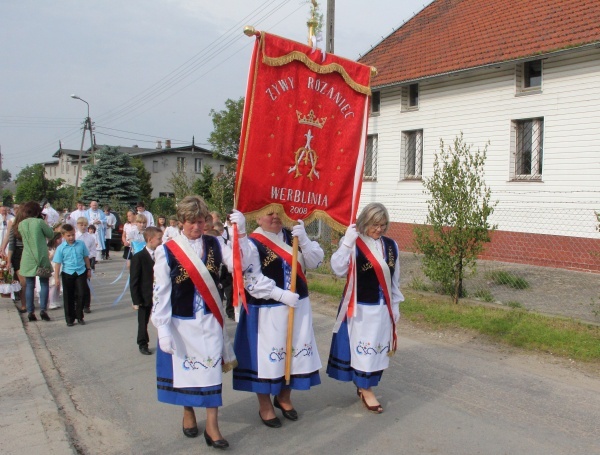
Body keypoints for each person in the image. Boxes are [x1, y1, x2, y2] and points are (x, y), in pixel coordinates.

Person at [151, 195, 247, 448]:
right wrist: (162, 328)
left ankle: (213, 426)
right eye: (191, 222)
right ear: (182, 222)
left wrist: (242, 234)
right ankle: (189, 412)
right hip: (181, 323)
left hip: (210, 319)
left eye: (201, 221)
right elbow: (161, 291)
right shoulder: (167, 250)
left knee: (212, 370)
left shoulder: (215, 243)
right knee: (187, 372)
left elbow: (240, 263)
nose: (197, 227)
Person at [233, 211, 323, 428]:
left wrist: (305, 240)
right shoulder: (253, 242)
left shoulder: (293, 236)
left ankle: (284, 397)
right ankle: (265, 405)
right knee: (265, 361)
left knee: (292, 355)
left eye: (278, 212)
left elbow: (316, 262)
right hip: (266, 309)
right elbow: (250, 277)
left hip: (298, 307)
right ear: (257, 217)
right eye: (268, 213)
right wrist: (280, 294)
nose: (274, 217)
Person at [326, 203, 403, 414]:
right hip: (360, 309)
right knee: (363, 352)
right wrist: (346, 244)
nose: (379, 229)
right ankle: (365, 388)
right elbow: (337, 269)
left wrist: (395, 305)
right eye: (375, 224)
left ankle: (366, 385)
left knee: (377, 350)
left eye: (383, 224)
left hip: (382, 308)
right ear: (364, 222)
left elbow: (394, 280)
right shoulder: (353, 243)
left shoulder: (391, 246)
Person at [17, 201, 55, 322]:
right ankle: (43, 310)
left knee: (29, 285)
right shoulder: (39, 222)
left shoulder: (21, 224)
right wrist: (45, 221)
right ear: (38, 211)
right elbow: (51, 234)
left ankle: (30, 311)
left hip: (28, 257)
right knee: (44, 283)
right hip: (41, 256)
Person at [130, 227, 163, 355]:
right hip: (145, 295)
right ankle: (143, 343)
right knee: (143, 321)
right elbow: (134, 280)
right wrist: (136, 300)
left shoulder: (162, 254)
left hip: (160, 294)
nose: (161, 241)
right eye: (159, 239)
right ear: (150, 239)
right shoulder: (139, 257)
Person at [52, 224, 92, 326]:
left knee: (81, 294)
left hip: (80, 272)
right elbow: (57, 264)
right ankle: (70, 318)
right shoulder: (61, 248)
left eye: (73, 235)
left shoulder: (81, 244)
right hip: (68, 273)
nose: (71, 238)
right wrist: (56, 278)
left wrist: (88, 269)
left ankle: (79, 315)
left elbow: (86, 257)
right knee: (68, 296)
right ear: (63, 236)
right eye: (69, 236)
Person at [75, 217, 95, 313]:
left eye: (85, 225)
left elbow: (93, 252)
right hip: (76, 263)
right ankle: (77, 303)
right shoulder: (74, 236)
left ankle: (86, 305)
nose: (83, 227)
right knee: (76, 285)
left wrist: (86, 256)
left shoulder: (90, 237)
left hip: (86, 262)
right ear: (77, 225)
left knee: (86, 284)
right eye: (81, 225)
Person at [46, 232, 63, 310]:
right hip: (52, 267)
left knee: (58, 285)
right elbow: (48, 258)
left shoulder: (59, 248)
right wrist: (52, 254)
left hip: (59, 267)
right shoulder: (50, 249)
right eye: (60, 238)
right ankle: (51, 302)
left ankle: (56, 300)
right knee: (53, 285)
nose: (61, 240)